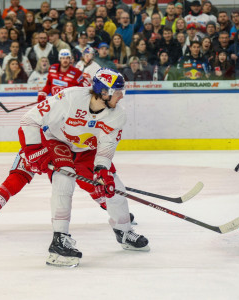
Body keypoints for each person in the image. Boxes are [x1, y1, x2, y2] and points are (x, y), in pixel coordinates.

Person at [16, 68, 149, 266]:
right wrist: (34, 150)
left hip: (87, 149)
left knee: (116, 188)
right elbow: (30, 119)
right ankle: (59, 239)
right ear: (104, 92)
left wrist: (102, 169)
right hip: (58, 142)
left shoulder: (117, 115)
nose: (121, 96)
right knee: (65, 179)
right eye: (118, 91)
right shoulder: (69, 97)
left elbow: (107, 144)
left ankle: (124, 231)